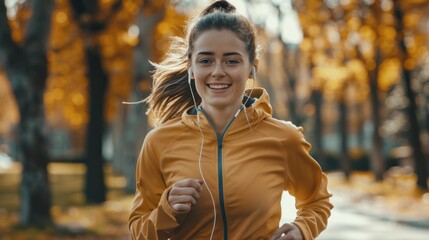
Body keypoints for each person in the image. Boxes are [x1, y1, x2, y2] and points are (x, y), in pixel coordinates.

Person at [128, 1, 333, 239]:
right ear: (191, 69)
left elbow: (317, 200)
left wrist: (302, 229)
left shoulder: (282, 138)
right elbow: (138, 231)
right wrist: (167, 210)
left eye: (231, 61)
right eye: (206, 60)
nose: (217, 71)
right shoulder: (159, 143)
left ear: (251, 68)